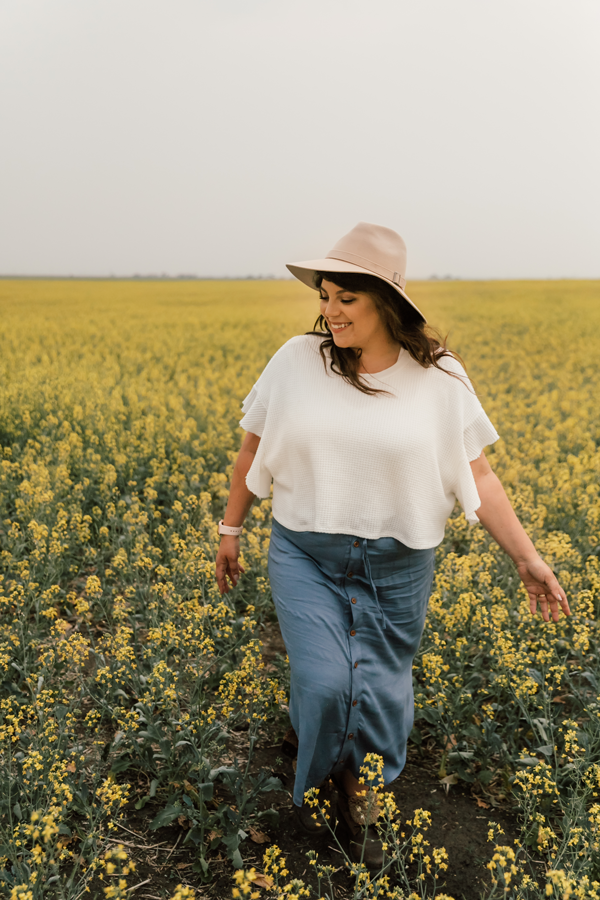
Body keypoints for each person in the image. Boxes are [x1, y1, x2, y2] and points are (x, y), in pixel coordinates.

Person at [215, 222, 570, 867]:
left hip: (398, 562)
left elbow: (479, 473)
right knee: (324, 683)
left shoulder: (439, 378)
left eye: (346, 300)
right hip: (306, 553)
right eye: (325, 296)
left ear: (386, 303)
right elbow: (254, 445)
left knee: (380, 692)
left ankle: (355, 791)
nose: (330, 311)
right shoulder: (298, 361)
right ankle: (323, 777)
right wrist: (230, 528)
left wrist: (527, 557)